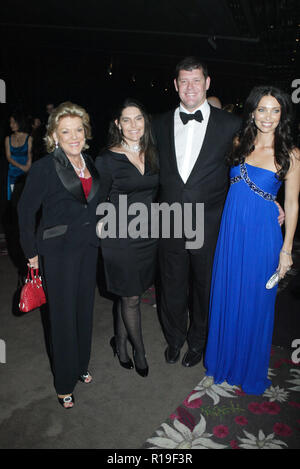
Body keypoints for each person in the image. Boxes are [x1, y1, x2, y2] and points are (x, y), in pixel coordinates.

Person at [204, 86, 300, 395]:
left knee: (255, 303)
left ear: (282, 114)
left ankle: (247, 369)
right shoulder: (239, 142)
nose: (268, 117)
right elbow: (234, 185)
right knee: (228, 295)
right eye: (262, 109)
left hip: (262, 238)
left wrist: (286, 251)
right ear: (252, 112)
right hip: (231, 233)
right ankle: (221, 362)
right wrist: (267, 199)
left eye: (275, 110)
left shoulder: (291, 154)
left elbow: (294, 204)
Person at [152, 56, 242, 368]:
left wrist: (271, 200)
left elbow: (247, 169)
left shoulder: (231, 124)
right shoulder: (158, 124)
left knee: (205, 287)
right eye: (184, 81)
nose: (190, 87)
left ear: (207, 83)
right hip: (170, 220)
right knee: (171, 283)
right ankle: (174, 338)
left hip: (210, 221)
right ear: (176, 85)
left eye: (196, 80)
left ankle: (198, 341)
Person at [18, 102, 102, 408]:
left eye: (79, 129)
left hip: (87, 248)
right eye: (66, 131)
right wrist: (31, 254)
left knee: (84, 310)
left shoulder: (90, 161)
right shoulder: (44, 167)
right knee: (63, 317)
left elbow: (93, 205)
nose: (74, 136)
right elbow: (25, 213)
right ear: (54, 135)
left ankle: (80, 365)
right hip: (58, 252)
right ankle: (64, 382)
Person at [95, 98, 159, 377]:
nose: (134, 125)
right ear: (117, 124)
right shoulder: (107, 159)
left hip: (148, 235)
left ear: (146, 122)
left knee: (128, 295)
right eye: (126, 120)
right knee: (132, 297)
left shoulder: (154, 152)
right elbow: (95, 199)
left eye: (139, 119)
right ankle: (140, 351)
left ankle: (120, 344)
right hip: (119, 237)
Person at [5, 112, 32, 200]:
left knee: (27, 199)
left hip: (26, 172)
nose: (11, 125)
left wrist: (27, 167)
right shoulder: (7, 139)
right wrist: (21, 167)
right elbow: (8, 157)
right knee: (14, 200)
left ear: (20, 122)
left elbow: (30, 154)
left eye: (13, 122)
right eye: (10, 122)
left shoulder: (29, 138)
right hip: (13, 173)